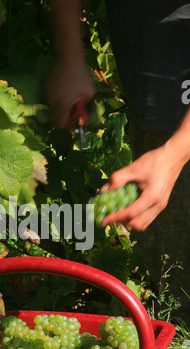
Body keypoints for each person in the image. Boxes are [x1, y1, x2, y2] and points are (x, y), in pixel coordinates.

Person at [45, 0, 190, 320]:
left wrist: (175, 152)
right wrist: (70, 55)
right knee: (169, 251)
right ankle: (177, 321)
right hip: (151, 62)